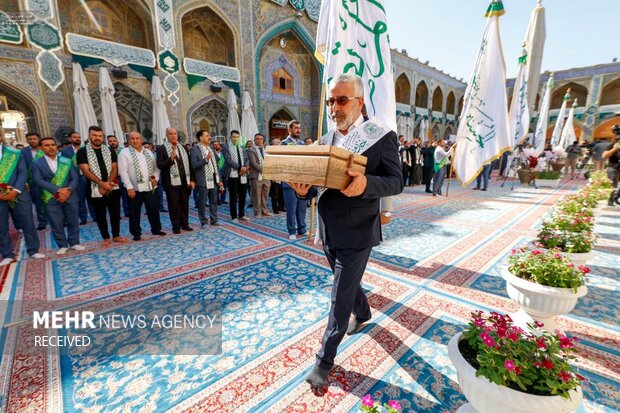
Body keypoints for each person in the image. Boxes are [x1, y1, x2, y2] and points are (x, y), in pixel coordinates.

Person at [288, 73, 402, 390]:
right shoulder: (324, 141)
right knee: (347, 286)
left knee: (339, 297)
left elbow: (396, 181)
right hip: (328, 230)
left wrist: (367, 184)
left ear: (359, 102)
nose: (335, 107)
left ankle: (324, 361)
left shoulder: (380, 136)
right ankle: (363, 311)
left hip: (358, 230)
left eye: (342, 100)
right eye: (331, 101)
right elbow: (315, 188)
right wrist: (301, 191)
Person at [31, 137, 84, 254]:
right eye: (46, 145)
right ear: (41, 148)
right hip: (50, 197)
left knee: (73, 220)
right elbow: (38, 180)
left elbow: (75, 178)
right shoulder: (36, 163)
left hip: (70, 195)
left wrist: (67, 191)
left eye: (53, 145)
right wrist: (59, 190)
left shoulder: (66, 161)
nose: (51, 147)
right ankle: (62, 245)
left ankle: (74, 242)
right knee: (56, 222)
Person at [77, 126, 127, 243]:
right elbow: (85, 170)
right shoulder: (82, 151)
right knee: (100, 214)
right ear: (89, 136)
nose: (97, 138)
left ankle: (116, 235)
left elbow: (115, 168)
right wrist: (101, 184)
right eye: (94, 135)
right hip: (94, 187)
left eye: (100, 136)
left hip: (112, 185)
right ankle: (105, 237)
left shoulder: (109, 150)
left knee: (115, 212)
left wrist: (107, 183)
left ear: (103, 137)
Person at [0, 144, 44, 266]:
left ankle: (33, 250)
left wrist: (15, 190)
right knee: (1, 226)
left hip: (18, 193)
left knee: (28, 222)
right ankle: (7, 254)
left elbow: (22, 172)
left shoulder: (13, 153)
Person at [118, 132, 165, 241]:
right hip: (134, 189)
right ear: (129, 140)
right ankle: (136, 233)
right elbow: (123, 171)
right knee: (134, 212)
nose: (135, 140)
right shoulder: (124, 153)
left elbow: (156, 168)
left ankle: (156, 229)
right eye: (132, 138)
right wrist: (129, 187)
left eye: (137, 138)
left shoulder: (148, 152)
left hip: (149, 187)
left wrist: (155, 179)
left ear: (141, 139)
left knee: (153, 209)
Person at [156, 127, 195, 234]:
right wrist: (170, 159)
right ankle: (176, 226)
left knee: (184, 204)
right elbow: (160, 165)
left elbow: (190, 165)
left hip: (185, 181)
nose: (173, 135)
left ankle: (185, 224)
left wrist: (192, 179)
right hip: (171, 183)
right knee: (174, 205)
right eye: (170, 134)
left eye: (174, 133)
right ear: (166, 135)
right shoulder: (161, 148)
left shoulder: (183, 147)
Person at [281, 121, 309, 239]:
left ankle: (302, 228)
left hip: (302, 181)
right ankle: (292, 231)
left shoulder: (303, 144)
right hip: (289, 181)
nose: (299, 130)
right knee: (291, 208)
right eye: (296, 128)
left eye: (300, 128)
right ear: (290, 130)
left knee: (302, 207)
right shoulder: (283, 144)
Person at [190, 130, 223, 227]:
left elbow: (216, 165)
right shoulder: (195, 149)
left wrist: (220, 180)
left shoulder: (210, 149)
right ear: (201, 138)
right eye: (207, 136)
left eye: (209, 136)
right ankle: (203, 221)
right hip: (203, 179)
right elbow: (194, 165)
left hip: (213, 178)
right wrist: (205, 160)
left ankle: (214, 220)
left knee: (214, 201)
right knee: (202, 202)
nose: (209, 137)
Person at [61, 130, 95, 224]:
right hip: (77, 178)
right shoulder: (65, 151)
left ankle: (94, 216)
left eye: (79, 137)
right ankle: (83, 218)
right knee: (80, 199)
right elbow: (65, 166)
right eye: (75, 137)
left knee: (92, 198)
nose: (77, 139)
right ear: (70, 139)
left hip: (89, 177)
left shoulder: (87, 149)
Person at [222, 130, 250, 223]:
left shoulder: (242, 147)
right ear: (230, 137)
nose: (236, 139)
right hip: (232, 175)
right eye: (234, 137)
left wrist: (245, 167)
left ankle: (242, 214)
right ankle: (234, 216)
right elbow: (228, 160)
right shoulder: (226, 147)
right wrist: (239, 168)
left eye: (237, 137)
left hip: (243, 174)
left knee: (243, 195)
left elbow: (247, 159)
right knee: (233, 196)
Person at [22, 132, 48, 230]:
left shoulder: (46, 148)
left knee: (53, 200)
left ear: (38, 139)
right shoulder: (24, 152)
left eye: (34, 138)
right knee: (38, 202)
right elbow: (23, 168)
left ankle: (61, 220)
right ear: (27, 140)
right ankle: (42, 222)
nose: (32, 141)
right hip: (34, 182)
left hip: (49, 180)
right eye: (30, 139)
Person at [247, 133, 271, 217]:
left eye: (261, 139)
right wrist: (265, 170)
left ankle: (265, 211)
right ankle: (257, 212)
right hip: (256, 176)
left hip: (266, 176)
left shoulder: (266, 149)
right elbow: (254, 163)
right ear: (254, 140)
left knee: (265, 194)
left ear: (263, 140)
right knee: (257, 195)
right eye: (257, 139)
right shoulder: (251, 150)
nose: (259, 140)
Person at [602, 125, 620, 206]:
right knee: (612, 185)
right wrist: (614, 149)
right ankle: (610, 200)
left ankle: (616, 197)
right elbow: (604, 156)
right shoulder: (611, 145)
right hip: (613, 168)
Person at [268, 138, 285, 214]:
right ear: (273, 144)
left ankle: (281, 207)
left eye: (280, 142)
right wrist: (272, 176)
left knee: (281, 193)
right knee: (275, 194)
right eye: (278, 143)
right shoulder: (270, 153)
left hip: (281, 176)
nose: (280, 144)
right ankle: (275, 209)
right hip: (274, 176)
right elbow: (269, 165)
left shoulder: (281, 152)